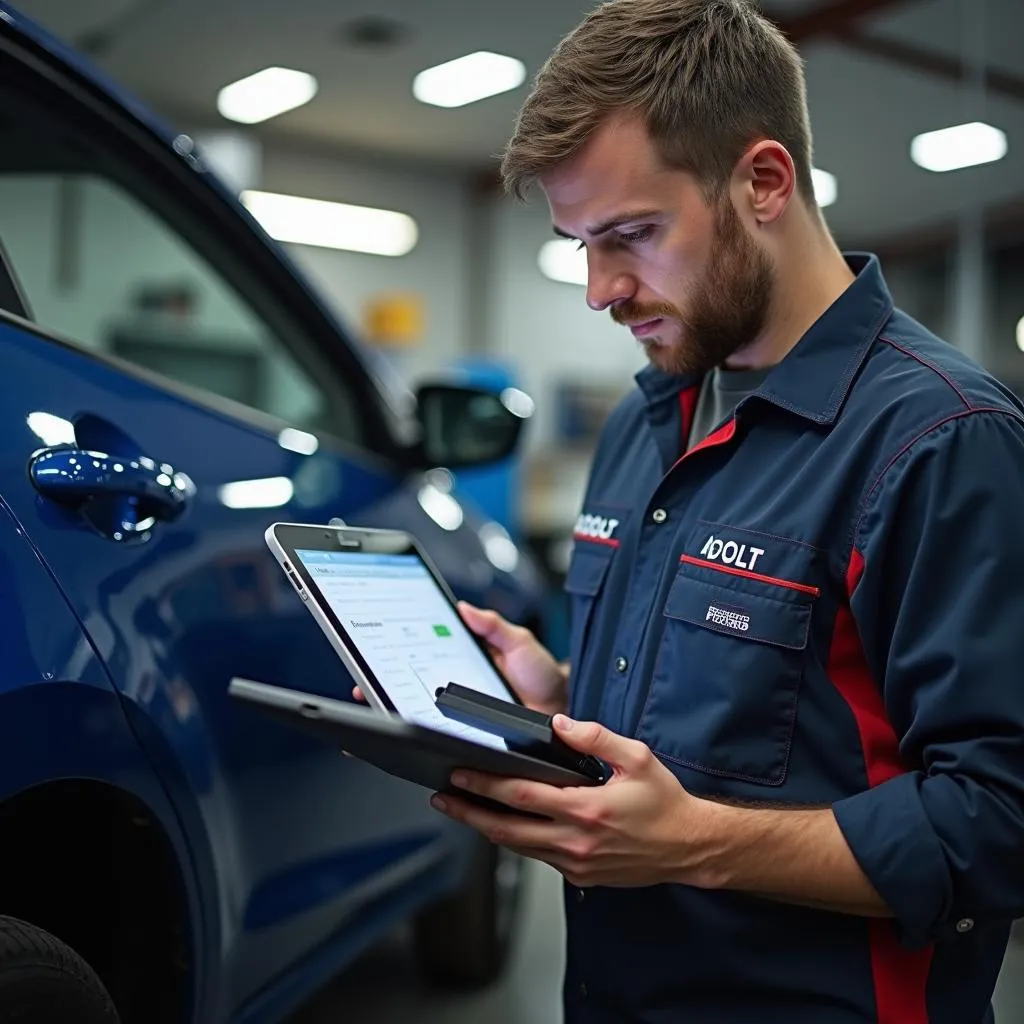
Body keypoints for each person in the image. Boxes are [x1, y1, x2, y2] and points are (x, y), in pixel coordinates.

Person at [362, 1, 1024, 1019]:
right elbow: (763, 715)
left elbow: (997, 817)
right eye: (578, 243)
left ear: (763, 181)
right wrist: (556, 700)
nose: (599, 289)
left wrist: (694, 842)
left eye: (629, 234)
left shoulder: (941, 440)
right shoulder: (646, 422)